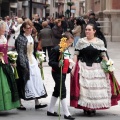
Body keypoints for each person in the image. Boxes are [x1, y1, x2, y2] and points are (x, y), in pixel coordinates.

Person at [70, 23, 120, 115]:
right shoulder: (81, 41)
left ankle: (93, 107)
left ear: (94, 31)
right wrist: (73, 66)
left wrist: (109, 66)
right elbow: (76, 54)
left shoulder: (99, 42)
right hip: (83, 66)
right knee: (85, 89)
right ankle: (86, 107)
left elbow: (103, 55)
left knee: (95, 88)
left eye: (89, 30)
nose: (87, 31)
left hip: (97, 68)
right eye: (86, 30)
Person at [15, 19, 47, 110]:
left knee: (36, 80)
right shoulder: (20, 38)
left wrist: (38, 60)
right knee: (23, 82)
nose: (30, 29)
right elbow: (20, 53)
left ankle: (37, 102)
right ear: (23, 29)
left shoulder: (31, 37)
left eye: (31, 27)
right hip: (24, 62)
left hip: (32, 60)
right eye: (28, 28)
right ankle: (19, 103)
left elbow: (33, 51)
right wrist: (23, 65)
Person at [47, 32, 75, 120]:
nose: (70, 44)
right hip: (57, 73)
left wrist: (70, 70)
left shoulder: (65, 49)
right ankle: (66, 113)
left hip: (63, 72)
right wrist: (58, 64)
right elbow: (50, 62)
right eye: (69, 42)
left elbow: (66, 62)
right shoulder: (56, 49)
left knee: (57, 90)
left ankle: (50, 110)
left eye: (71, 43)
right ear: (64, 41)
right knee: (62, 90)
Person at [0, 20, 20, 111]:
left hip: (6, 63)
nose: (5, 30)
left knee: (8, 85)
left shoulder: (3, 37)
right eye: (3, 28)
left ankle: (7, 104)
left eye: (4, 28)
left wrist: (11, 61)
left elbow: (5, 51)